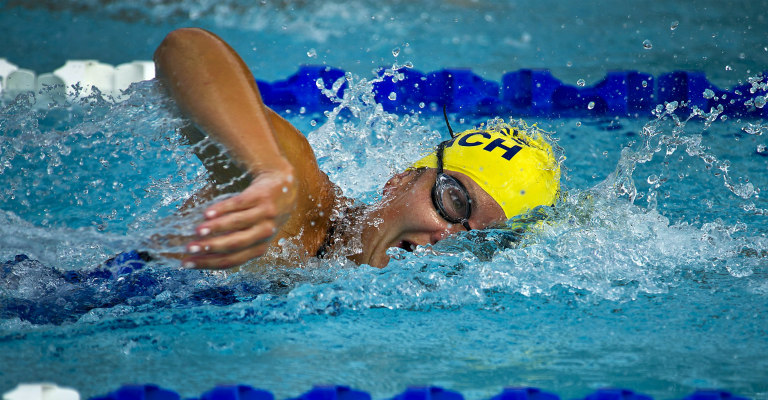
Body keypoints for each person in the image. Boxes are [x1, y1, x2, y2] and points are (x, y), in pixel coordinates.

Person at [153, 28, 560, 270]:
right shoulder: (298, 207)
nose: (447, 237)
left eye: (480, 241)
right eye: (454, 201)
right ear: (399, 180)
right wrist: (266, 170)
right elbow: (186, 49)